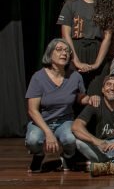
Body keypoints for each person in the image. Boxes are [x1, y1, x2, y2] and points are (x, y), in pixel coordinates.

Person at [25, 38, 96, 172]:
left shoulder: (75, 76)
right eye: (59, 50)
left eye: (67, 51)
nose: (64, 53)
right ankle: (39, 156)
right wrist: (48, 133)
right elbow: (32, 110)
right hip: (42, 121)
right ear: (50, 54)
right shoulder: (38, 77)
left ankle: (67, 156)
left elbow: (79, 97)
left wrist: (89, 99)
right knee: (33, 140)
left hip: (65, 120)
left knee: (70, 139)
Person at [57, 0, 114, 95]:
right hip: (75, 50)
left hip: (97, 51)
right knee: (73, 94)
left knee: (95, 96)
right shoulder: (71, 3)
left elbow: (107, 37)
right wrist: (76, 61)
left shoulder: (107, 6)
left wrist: (97, 64)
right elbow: (65, 34)